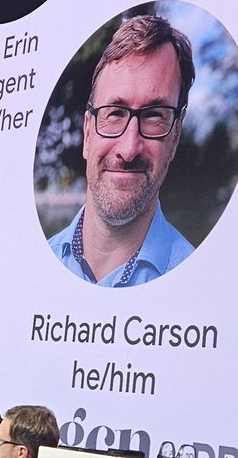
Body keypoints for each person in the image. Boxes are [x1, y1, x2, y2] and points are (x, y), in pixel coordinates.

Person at [48, 14, 195, 287]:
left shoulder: (199, 284)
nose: (129, 149)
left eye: (153, 117)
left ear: (175, 137)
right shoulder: (37, 261)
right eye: (114, 113)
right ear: (87, 133)